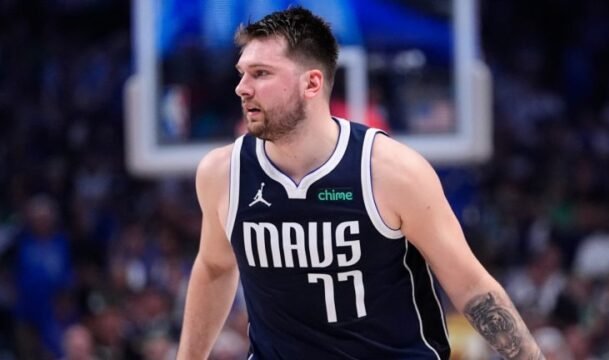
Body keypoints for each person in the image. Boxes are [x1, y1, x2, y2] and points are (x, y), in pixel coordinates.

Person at [177, 6, 544, 359]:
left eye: (261, 74)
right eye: (242, 73)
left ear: (312, 83)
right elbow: (214, 267)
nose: (242, 87)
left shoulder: (391, 171)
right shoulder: (223, 173)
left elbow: (471, 286)